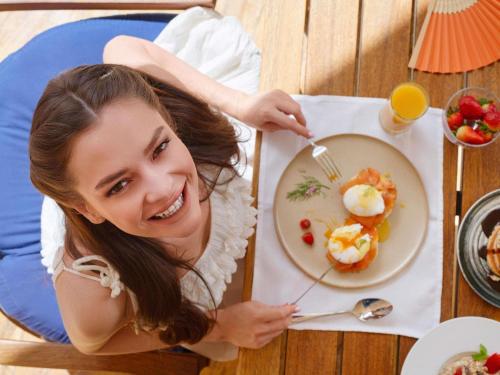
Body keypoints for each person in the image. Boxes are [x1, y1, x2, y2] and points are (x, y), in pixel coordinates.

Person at [29, 35, 310, 360]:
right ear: (87, 208)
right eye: (119, 185)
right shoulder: (92, 290)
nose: (164, 188)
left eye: (160, 148)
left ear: (167, 120)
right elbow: (92, 343)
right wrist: (219, 326)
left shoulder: (148, 116)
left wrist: (238, 104)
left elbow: (120, 46)